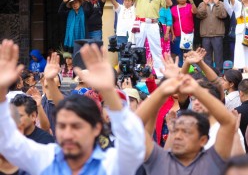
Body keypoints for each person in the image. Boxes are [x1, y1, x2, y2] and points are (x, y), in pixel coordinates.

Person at [0, 39, 145, 174]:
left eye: (76, 126)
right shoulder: (47, 158)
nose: (68, 134)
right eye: (62, 126)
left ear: (96, 128)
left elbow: (133, 145)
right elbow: (9, 143)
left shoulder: (110, 164)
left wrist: (108, 90)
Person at [136, 73, 236, 175]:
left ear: (203, 140)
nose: (178, 136)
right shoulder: (160, 160)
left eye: (186, 132)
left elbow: (229, 123)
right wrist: (162, 91)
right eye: (176, 130)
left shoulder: (211, 161)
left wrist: (196, 90)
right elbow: (133, 125)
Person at [118, 0, 172, 78]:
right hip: (141, 23)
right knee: (137, 47)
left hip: (153, 24)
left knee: (156, 48)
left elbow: (170, 3)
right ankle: (136, 72)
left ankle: (160, 74)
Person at [197, 0, 227, 71]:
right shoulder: (202, 4)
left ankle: (219, 73)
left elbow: (223, 15)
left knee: (218, 55)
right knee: (207, 56)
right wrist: (204, 4)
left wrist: (217, 4)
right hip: (205, 34)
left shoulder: (221, 3)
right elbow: (199, 15)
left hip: (217, 34)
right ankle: (208, 73)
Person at [170, 0, 197, 66]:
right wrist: (172, 34)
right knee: (179, 53)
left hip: (188, 34)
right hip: (177, 34)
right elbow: (171, 22)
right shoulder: (173, 9)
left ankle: (188, 70)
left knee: (188, 53)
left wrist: (191, 1)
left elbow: (195, 12)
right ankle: (180, 69)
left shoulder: (189, 6)